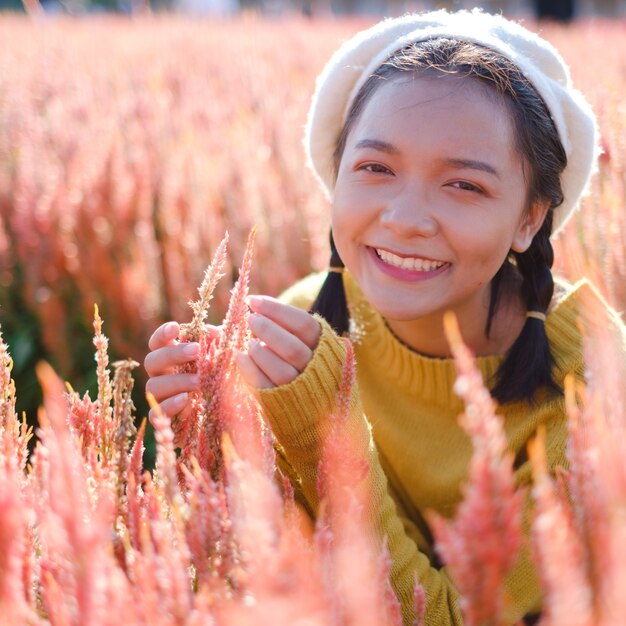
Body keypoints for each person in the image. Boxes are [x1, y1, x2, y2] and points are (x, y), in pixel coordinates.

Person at [144, 10, 625, 625]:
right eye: (376, 169)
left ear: (530, 218)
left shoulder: (596, 387)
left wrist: (325, 431)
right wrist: (201, 437)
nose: (404, 217)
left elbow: (453, 617)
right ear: (337, 176)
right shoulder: (299, 322)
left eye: (464, 186)